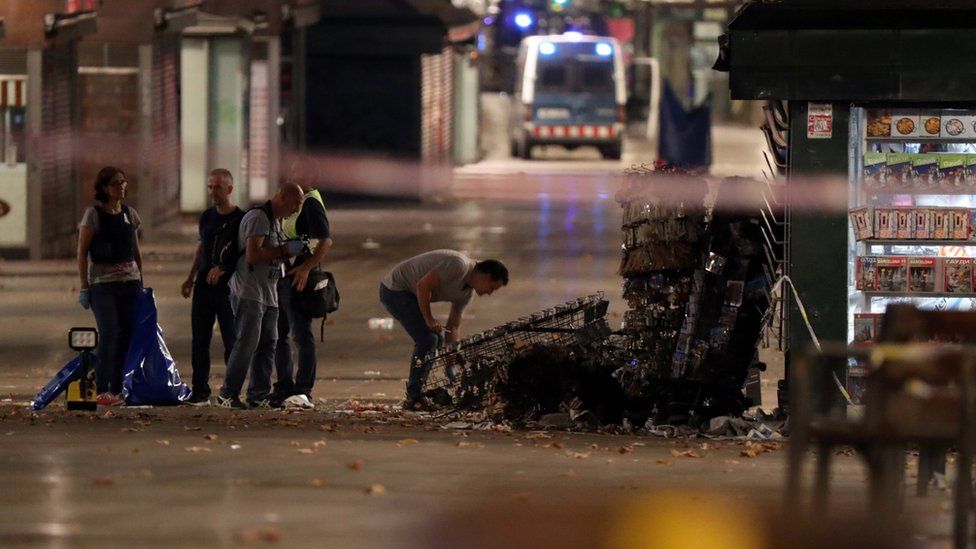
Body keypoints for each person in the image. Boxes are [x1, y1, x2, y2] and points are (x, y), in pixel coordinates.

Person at [379, 250, 508, 410]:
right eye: (492, 288)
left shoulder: (466, 294)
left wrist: (451, 364)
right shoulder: (459, 266)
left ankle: (418, 392)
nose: (489, 293)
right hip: (395, 289)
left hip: (411, 293)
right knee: (428, 339)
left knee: (437, 338)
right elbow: (423, 286)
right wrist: (429, 319)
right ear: (486, 276)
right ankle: (414, 395)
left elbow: (453, 328)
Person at [215, 183, 305, 409]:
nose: (297, 209)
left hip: (269, 292)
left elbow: (271, 254)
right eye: (296, 203)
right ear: (283, 197)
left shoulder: (275, 222)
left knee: (268, 345)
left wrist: (287, 253)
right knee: (247, 344)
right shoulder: (259, 217)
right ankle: (228, 394)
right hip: (249, 292)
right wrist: (284, 250)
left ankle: (258, 395)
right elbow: (253, 255)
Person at [76, 166, 143, 406]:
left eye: (123, 182)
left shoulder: (129, 214)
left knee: (126, 335)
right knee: (110, 333)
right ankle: (101, 386)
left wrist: (141, 283)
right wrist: (84, 287)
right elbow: (82, 252)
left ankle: (117, 388)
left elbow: (135, 251)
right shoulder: (93, 215)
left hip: (129, 283)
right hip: (102, 286)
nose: (122, 186)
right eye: (116, 183)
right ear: (104, 188)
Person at [272, 159, 334, 409]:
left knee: (301, 334)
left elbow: (325, 241)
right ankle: (284, 386)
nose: (291, 174)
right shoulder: (298, 201)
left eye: (296, 171)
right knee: (280, 334)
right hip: (287, 274)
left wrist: (306, 269)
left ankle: (303, 388)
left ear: (309, 177)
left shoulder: (310, 202)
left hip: (300, 277)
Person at [180, 169, 244, 405]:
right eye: (209, 187)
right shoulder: (206, 217)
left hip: (228, 289)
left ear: (229, 189)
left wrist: (226, 269)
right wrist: (190, 278)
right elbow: (201, 248)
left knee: (231, 340)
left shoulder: (241, 219)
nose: (212, 192)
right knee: (200, 340)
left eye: (217, 187)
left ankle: (231, 391)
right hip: (204, 287)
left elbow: (245, 254)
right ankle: (200, 390)